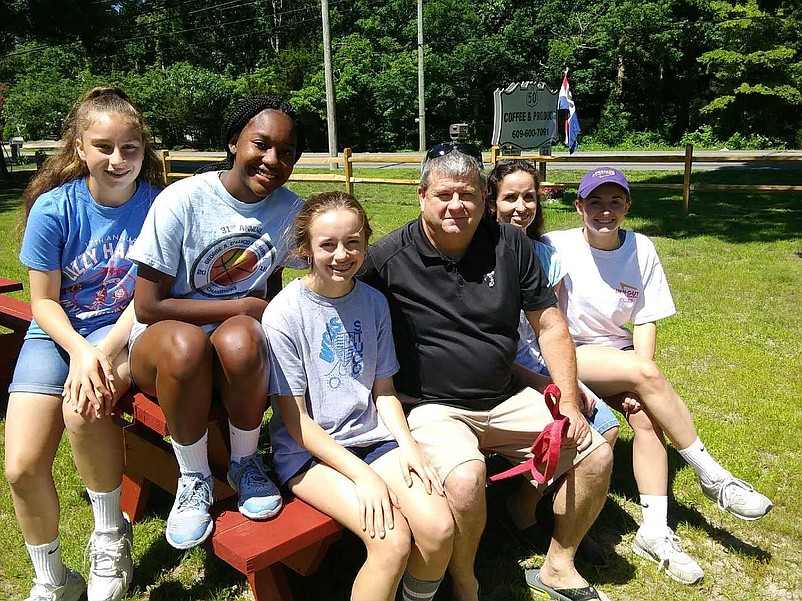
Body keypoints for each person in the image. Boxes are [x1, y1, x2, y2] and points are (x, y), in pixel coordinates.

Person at [359, 142, 613, 601]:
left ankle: (559, 564)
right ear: (421, 196)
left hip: (507, 395)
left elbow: (551, 325)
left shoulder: (512, 245)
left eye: (469, 195)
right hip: (433, 407)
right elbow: (341, 305)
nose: (456, 205)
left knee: (596, 452)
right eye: (444, 195)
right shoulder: (387, 258)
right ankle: (465, 581)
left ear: (483, 198)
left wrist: (569, 401)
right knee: (464, 478)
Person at [543, 166, 773, 585]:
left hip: (620, 357)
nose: (605, 212)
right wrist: (637, 374)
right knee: (644, 375)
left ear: (628, 206)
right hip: (571, 356)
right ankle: (713, 477)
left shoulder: (642, 248)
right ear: (579, 206)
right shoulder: (556, 246)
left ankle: (653, 529)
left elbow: (646, 320)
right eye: (595, 202)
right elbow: (549, 319)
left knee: (649, 418)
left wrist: (637, 384)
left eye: (615, 203)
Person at [4, 86, 162, 601]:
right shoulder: (54, 208)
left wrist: (102, 351)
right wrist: (80, 349)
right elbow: (44, 302)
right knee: (22, 467)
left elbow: (151, 298)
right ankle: (53, 580)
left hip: (125, 330)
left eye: (130, 148)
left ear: (144, 149)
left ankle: (109, 537)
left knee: (84, 407)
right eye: (103, 147)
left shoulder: (159, 208)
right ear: (79, 149)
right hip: (57, 333)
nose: (118, 160)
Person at [127, 95, 305, 550]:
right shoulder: (184, 199)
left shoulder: (289, 209)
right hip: (162, 344)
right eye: (261, 144)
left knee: (246, 339)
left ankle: (245, 463)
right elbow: (147, 306)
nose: (272, 160)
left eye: (286, 152)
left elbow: (287, 279)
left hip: (231, 343)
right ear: (233, 142)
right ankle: (194, 478)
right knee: (190, 346)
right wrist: (241, 306)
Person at [263, 191, 454, 601]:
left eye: (353, 243)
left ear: (366, 244)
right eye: (327, 245)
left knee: (438, 529)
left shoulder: (373, 302)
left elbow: (383, 391)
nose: (341, 255)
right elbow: (295, 420)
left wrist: (410, 447)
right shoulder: (284, 314)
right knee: (392, 541)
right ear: (306, 250)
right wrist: (362, 475)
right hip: (309, 454)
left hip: (372, 438)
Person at [485, 159, 620, 566]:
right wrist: (549, 387)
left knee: (605, 426)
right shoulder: (484, 254)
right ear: (492, 203)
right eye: (509, 198)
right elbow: (496, 347)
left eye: (529, 197)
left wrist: (567, 380)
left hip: (539, 363)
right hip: (509, 371)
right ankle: (526, 511)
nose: (520, 207)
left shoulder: (547, 256)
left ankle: (542, 509)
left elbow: (553, 331)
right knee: (577, 432)